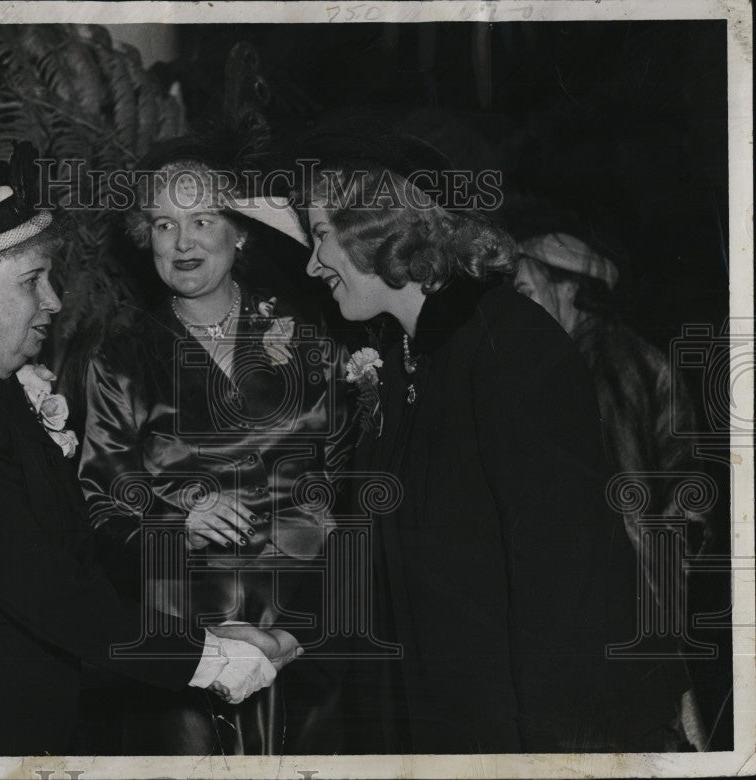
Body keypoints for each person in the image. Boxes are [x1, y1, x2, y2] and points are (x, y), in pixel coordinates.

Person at [0, 158, 300, 756]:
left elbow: (67, 568)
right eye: (32, 281)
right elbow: (49, 595)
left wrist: (202, 633)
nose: (53, 301)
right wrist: (209, 659)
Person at [298, 132, 687, 753]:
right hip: (434, 715)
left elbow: (566, 585)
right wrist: (296, 641)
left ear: (376, 227)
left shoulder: (512, 349)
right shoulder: (403, 360)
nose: (312, 263)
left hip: (518, 730)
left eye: (318, 235)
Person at [76, 137, 351, 754]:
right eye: (164, 224)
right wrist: (177, 521)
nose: (183, 242)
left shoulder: (308, 338)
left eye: (202, 220)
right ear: (144, 237)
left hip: (304, 618)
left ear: (241, 231)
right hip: (188, 634)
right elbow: (99, 511)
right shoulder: (120, 357)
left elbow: (350, 481)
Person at [515, 231, 710, 749]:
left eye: (526, 292)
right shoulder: (627, 352)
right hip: (652, 589)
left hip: (618, 603)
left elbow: (621, 501)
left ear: (571, 289)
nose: (517, 311)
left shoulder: (595, 366)